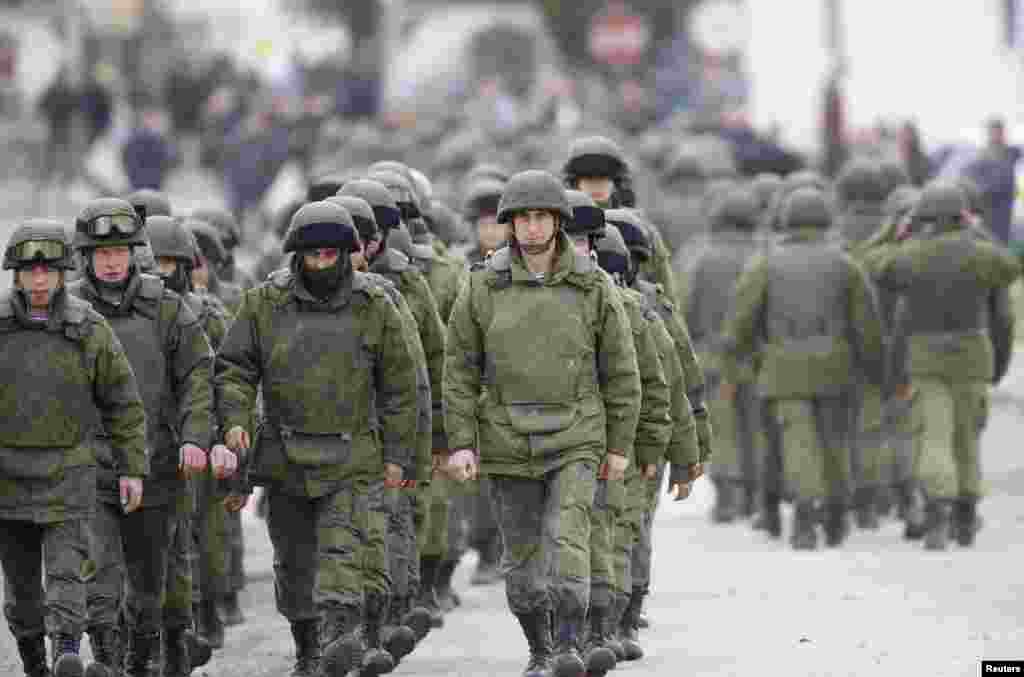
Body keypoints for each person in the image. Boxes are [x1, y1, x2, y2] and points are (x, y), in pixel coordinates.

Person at [444, 170, 641, 677]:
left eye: (542, 217)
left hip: (576, 436)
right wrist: (462, 443)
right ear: (510, 224)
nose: (532, 227)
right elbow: (460, 371)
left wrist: (618, 445)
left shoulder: (592, 285)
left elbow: (621, 372)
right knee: (523, 562)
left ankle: (571, 644)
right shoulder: (483, 286)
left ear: (558, 222)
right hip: (507, 439)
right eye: (523, 218)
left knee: (569, 541)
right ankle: (540, 647)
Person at [215, 201, 419, 677]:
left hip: (353, 456)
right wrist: (234, 420)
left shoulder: (375, 305)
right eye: (314, 255)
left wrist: (399, 456)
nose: (323, 263)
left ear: (347, 254)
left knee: (343, 554)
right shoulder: (265, 304)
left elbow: (401, 387)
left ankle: (341, 639)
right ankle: (308, 649)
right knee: (293, 561)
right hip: (285, 455)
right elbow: (233, 368)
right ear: (297, 256)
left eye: (331, 254)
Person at [68, 198, 214, 677]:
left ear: (135, 253)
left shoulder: (167, 309)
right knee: (100, 573)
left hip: (157, 464)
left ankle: (142, 657)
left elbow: (197, 374)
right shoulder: (66, 313)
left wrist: (195, 437)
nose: (111, 261)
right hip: (88, 466)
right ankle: (106, 660)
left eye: (120, 251)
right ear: (85, 256)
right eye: (101, 252)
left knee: (151, 581)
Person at [0, 221, 147, 677]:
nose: (39, 280)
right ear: (16, 275)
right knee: (23, 592)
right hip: (7, 478)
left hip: (70, 474)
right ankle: (35, 667)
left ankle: (67, 652)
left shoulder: (89, 329)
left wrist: (131, 469)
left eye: (47, 271)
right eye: (30, 271)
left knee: (68, 577)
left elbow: (123, 402)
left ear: (64, 273)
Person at [721, 187, 884, 549]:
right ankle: (838, 511)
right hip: (836, 369)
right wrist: (875, 371)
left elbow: (740, 322)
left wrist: (739, 357)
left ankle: (807, 513)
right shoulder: (846, 265)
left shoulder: (766, 263)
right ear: (827, 220)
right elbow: (868, 327)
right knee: (835, 442)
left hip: (783, 369)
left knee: (799, 442)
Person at [874, 181, 1020, 550]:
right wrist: (976, 230)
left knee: (935, 435)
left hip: (927, 358)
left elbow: (873, 263)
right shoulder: (981, 253)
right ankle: (967, 514)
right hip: (973, 354)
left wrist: (900, 232)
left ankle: (938, 511)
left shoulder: (912, 255)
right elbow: (1009, 264)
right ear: (963, 216)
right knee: (967, 437)